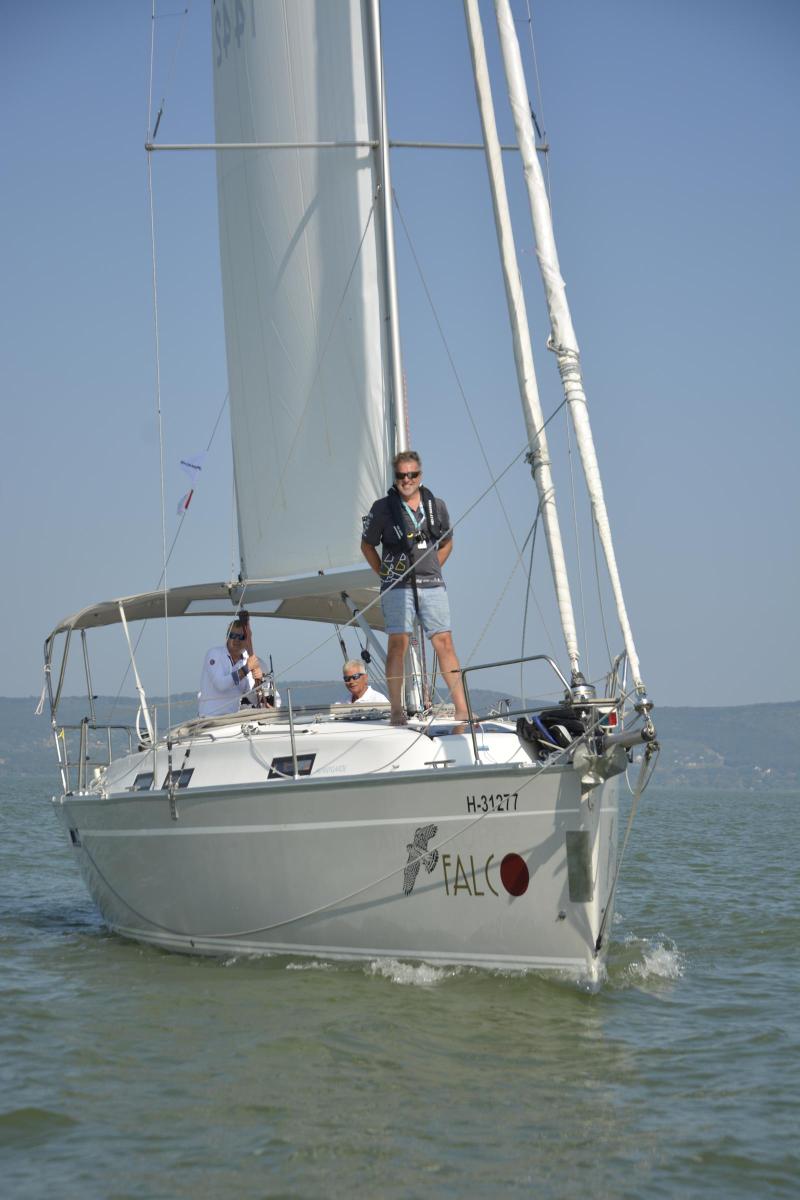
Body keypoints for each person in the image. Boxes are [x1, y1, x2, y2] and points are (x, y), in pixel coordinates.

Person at [361, 450, 468, 725]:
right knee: (398, 643)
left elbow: (447, 541)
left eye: (413, 474)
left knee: (444, 642)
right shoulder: (381, 508)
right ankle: (397, 710)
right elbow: (367, 545)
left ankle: (462, 709)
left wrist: (433, 567)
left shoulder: (437, 506)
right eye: (401, 475)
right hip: (397, 586)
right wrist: (384, 574)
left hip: (431, 584)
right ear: (395, 477)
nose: (407, 479)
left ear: (420, 475)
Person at [198, 615, 268, 717]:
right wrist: (246, 669)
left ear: (247, 641)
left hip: (232, 720)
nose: (236, 640)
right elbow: (221, 685)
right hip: (210, 718)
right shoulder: (214, 654)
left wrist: (258, 681)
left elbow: (253, 698)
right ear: (227, 637)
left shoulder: (247, 661)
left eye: (241, 637)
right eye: (233, 635)